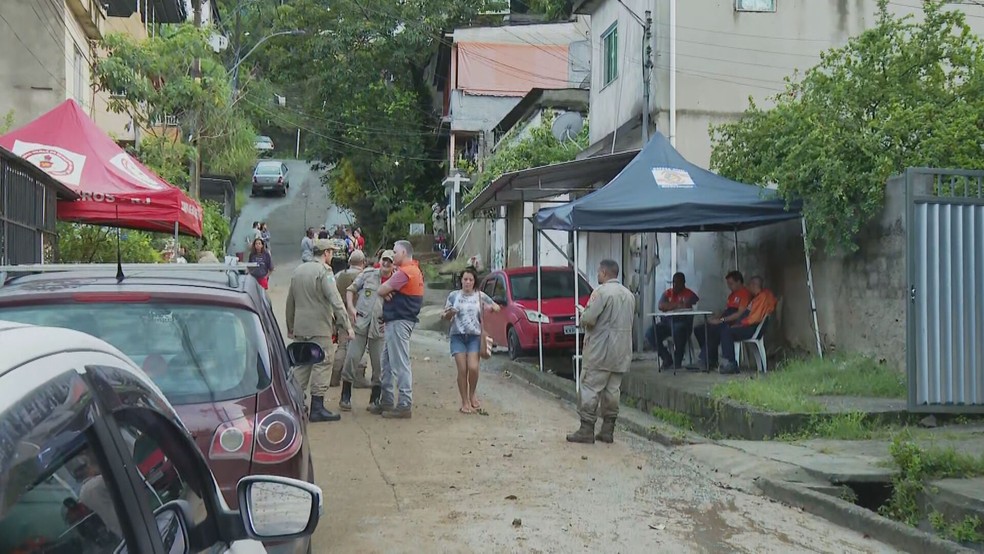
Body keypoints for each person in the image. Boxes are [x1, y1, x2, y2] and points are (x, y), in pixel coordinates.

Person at [285, 239, 355, 422]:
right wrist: (347, 325)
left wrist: (290, 325)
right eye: (331, 252)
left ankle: (295, 404)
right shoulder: (324, 272)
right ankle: (317, 407)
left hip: (301, 327)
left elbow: (290, 301)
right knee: (322, 363)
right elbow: (335, 300)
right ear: (326, 253)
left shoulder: (298, 271)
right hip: (319, 327)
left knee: (301, 365)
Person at [567, 259, 635, 444]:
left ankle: (586, 429)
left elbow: (589, 319)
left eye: (598, 272)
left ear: (604, 273)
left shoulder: (601, 292)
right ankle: (608, 430)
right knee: (612, 390)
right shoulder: (629, 295)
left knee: (590, 387)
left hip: (600, 350)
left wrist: (582, 315)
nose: (597, 275)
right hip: (621, 351)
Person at [370, 240, 424, 419]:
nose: (393, 256)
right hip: (398, 320)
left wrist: (386, 290)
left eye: (395, 252)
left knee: (399, 363)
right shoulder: (413, 270)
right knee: (387, 362)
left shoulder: (405, 272)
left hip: (399, 321)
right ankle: (387, 401)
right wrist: (387, 290)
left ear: (403, 252)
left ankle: (404, 404)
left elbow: (381, 289)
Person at [340, 250, 395, 411]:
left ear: (393, 264)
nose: (386, 264)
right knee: (351, 358)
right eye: (384, 260)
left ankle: (375, 399)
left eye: (389, 261)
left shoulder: (396, 280)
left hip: (379, 328)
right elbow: (351, 289)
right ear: (380, 261)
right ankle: (345, 395)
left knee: (379, 365)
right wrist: (351, 308)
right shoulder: (368, 274)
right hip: (361, 324)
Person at [444, 267, 500, 414]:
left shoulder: (480, 296)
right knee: (462, 369)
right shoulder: (453, 296)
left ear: (474, 282)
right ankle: (464, 401)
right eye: (465, 279)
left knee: (473, 368)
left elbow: (496, 306)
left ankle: (472, 394)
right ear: (461, 281)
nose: (467, 282)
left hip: (474, 336)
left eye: (470, 280)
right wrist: (450, 313)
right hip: (457, 336)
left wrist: (491, 308)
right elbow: (444, 316)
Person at [718, 276, 778, 374]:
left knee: (727, 332)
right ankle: (730, 362)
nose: (748, 288)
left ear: (754, 285)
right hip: (749, 326)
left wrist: (739, 324)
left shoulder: (762, 297)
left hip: (752, 328)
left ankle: (731, 363)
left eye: (750, 285)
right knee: (726, 330)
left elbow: (755, 318)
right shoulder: (758, 297)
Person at [694, 271, 752, 369]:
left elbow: (739, 314)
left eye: (731, 283)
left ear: (738, 282)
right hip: (725, 319)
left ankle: (705, 360)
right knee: (700, 329)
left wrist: (722, 320)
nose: (729, 286)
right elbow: (726, 310)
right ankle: (711, 358)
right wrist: (716, 318)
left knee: (714, 329)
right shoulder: (732, 295)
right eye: (728, 284)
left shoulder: (745, 294)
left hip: (733, 322)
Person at [648, 272, 699, 370]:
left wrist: (669, 306)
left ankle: (678, 359)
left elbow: (691, 301)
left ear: (684, 283)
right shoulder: (668, 293)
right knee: (650, 333)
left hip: (682, 324)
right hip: (666, 324)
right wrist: (677, 304)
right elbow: (661, 306)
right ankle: (666, 357)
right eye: (674, 282)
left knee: (678, 330)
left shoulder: (689, 293)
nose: (675, 285)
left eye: (678, 283)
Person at [330, 250, 366, 388]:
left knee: (342, 345)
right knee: (360, 346)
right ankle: (359, 376)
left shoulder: (338, 276)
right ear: (363, 262)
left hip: (342, 313)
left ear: (349, 262)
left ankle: (335, 376)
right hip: (359, 315)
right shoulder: (364, 276)